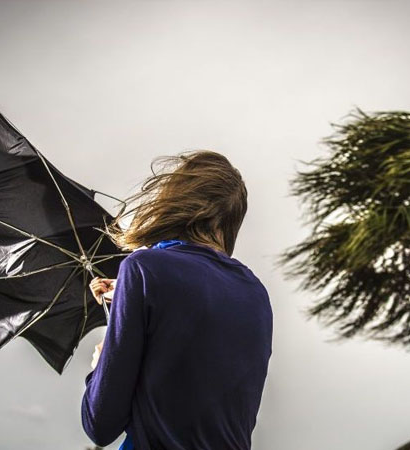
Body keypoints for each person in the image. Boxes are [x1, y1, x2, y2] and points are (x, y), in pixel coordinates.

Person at [81, 150, 273, 450]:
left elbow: (100, 425)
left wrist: (100, 365)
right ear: (231, 222)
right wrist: (129, 293)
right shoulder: (256, 293)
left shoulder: (144, 269)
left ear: (175, 200)